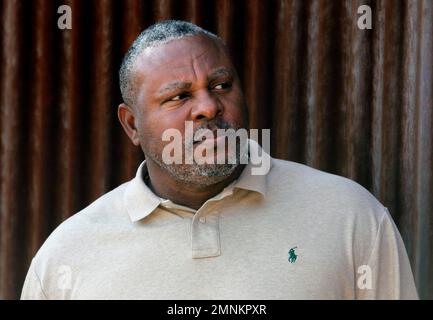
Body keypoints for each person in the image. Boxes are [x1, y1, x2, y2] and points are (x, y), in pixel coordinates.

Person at [21, 20, 418, 299]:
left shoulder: (350, 216)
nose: (209, 107)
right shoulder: (68, 256)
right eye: (179, 96)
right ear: (131, 125)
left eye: (221, 85)